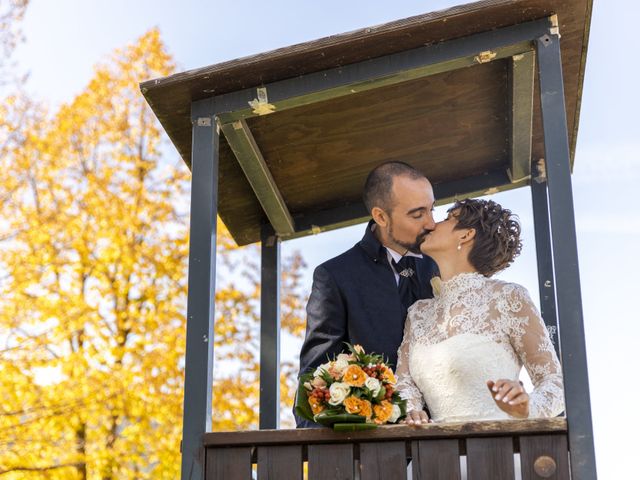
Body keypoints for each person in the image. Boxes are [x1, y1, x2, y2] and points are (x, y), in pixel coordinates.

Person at [295, 161, 439, 428]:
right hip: (371, 450)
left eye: (432, 209)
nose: (431, 223)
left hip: (448, 438)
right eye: (417, 214)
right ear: (381, 217)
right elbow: (315, 375)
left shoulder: (443, 265)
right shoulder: (335, 276)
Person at [396, 198, 564, 424]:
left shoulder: (509, 297)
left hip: (497, 449)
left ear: (465, 235)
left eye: (447, 219)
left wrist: (526, 407)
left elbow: (555, 381)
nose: (433, 224)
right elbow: (404, 382)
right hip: (433, 452)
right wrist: (412, 410)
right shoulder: (418, 312)